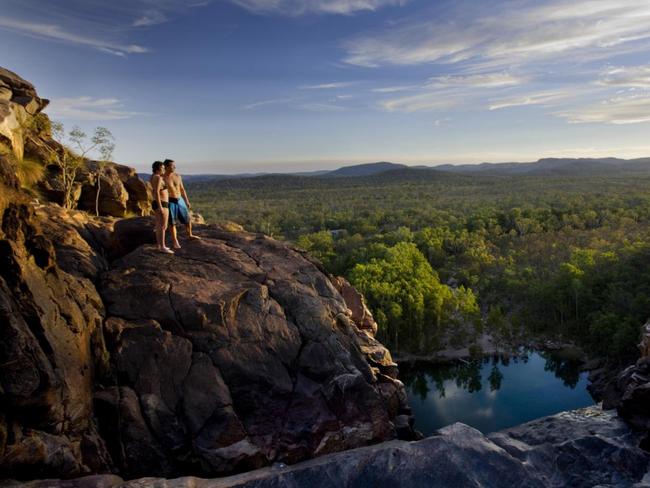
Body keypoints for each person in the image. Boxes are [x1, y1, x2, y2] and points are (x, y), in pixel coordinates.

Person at [163, 158, 201, 249]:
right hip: (170, 201)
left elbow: (182, 189)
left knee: (187, 219)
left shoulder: (177, 176)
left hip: (180, 200)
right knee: (172, 223)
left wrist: (187, 201)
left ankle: (190, 235)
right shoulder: (162, 178)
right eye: (172, 165)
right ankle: (175, 242)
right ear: (166, 167)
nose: (174, 167)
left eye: (174, 165)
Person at [150, 161, 173, 254]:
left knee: (159, 226)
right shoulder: (158, 178)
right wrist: (160, 207)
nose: (164, 169)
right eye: (163, 168)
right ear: (158, 168)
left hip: (160, 203)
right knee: (163, 226)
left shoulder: (153, 176)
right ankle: (162, 247)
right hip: (162, 204)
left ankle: (160, 246)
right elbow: (156, 192)